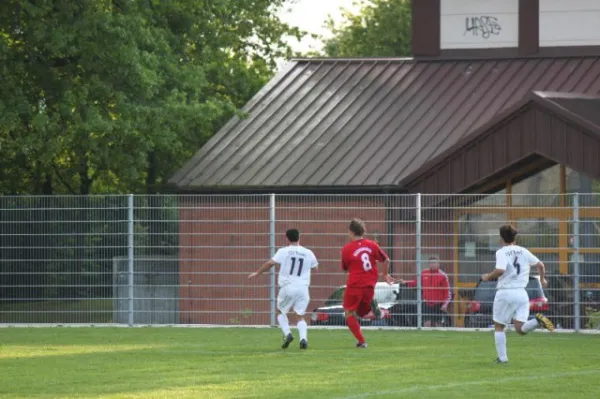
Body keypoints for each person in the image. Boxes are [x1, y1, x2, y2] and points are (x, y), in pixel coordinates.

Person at [481, 224, 555, 364]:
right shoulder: (523, 251)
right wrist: (542, 279)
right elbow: (540, 265)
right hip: (522, 293)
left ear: (501, 238)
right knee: (520, 329)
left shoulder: (502, 252)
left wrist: (488, 277)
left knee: (499, 326)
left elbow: (500, 270)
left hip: (505, 292)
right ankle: (537, 321)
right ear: (515, 237)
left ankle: (502, 359)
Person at [248, 228, 318, 350]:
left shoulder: (283, 251)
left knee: (280, 311)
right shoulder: (308, 252)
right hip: (303, 288)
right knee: (299, 315)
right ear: (299, 237)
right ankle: (303, 339)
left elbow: (270, 263)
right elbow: (315, 267)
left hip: (288, 287)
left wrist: (258, 273)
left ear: (287, 238)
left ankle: (288, 334)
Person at [341, 218, 394, 348]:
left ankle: (361, 341)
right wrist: (385, 274)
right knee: (361, 313)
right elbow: (387, 260)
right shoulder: (372, 245)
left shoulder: (347, 249)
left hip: (354, 285)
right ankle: (373, 306)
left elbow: (345, 269)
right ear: (363, 231)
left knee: (349, 313)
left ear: (351, 232)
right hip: (370, 286)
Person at [398, 256, 452, 327]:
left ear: (438, 264)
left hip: (438, 304)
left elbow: (447, 292)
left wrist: (445, 304)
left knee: (438, 324)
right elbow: (416, 283)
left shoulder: (443, 276)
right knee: (426, 323)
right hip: (427, 303)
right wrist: (405, 282)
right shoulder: (424, 273)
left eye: (434, 263)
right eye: (430, 263)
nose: (432, 264)